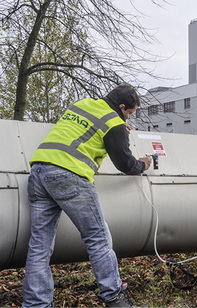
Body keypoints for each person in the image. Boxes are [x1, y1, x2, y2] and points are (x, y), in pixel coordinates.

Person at [22, 83, 151, 308]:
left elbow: (84, 130)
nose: (128, 119)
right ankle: (114, 299)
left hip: (38, 171)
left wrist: (120, 128)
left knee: (39, 247)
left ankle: (36, 305)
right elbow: (125, 163)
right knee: (99, 239)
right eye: (129, 114)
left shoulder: (83, 104)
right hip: (69, 176)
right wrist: (143, 164)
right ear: (122, 107)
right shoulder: (114, 123)